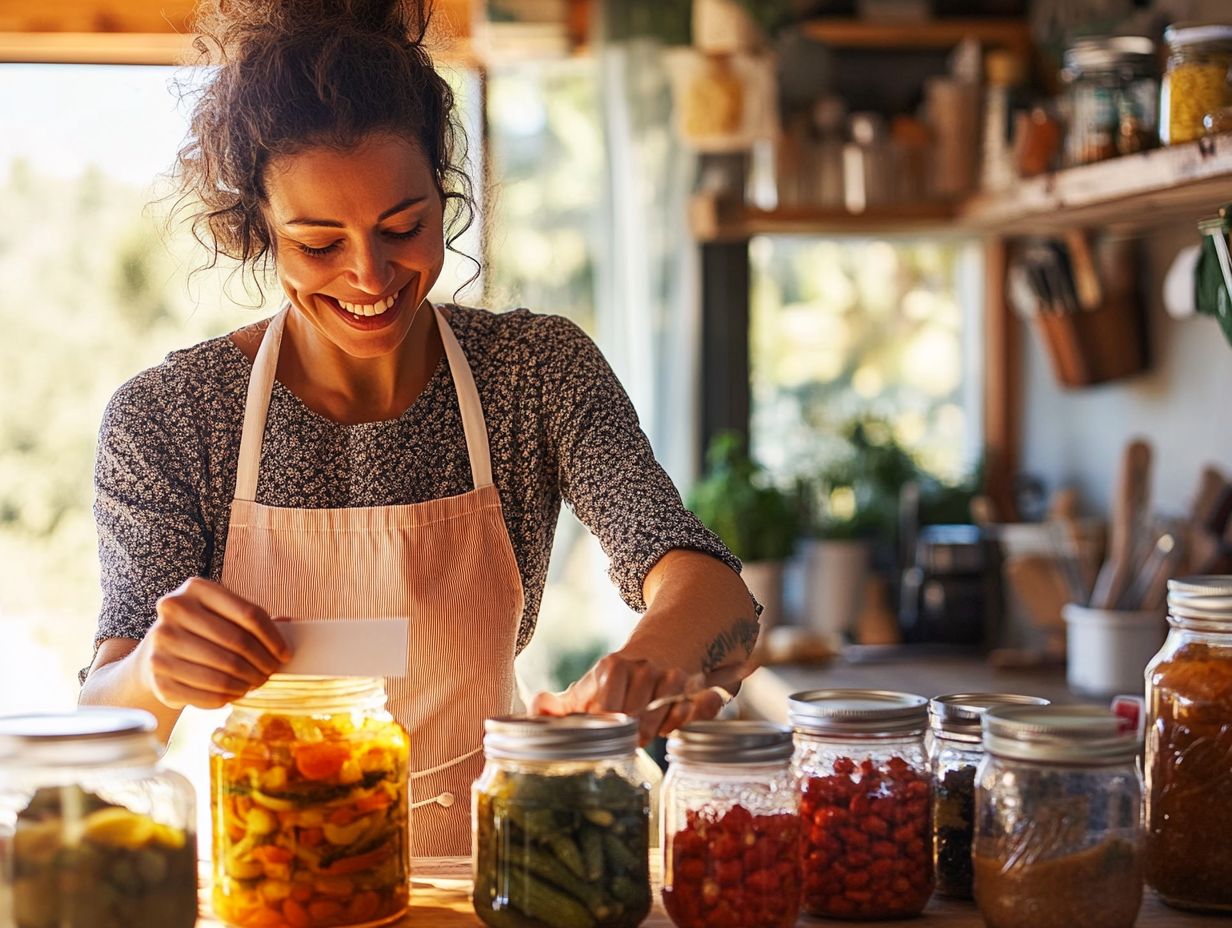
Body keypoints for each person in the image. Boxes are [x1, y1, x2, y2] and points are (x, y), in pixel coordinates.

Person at [78, 0, 760, 856]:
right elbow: (105, 723)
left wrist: (646, 664)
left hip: (496, 870)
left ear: (444, 195)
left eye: (404, 227)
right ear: (260, 232)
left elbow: (713, 588)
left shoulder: (534, 372)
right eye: (319, 243)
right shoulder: (171, 418)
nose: (370, 275)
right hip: (278, 881)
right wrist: (151, 670)